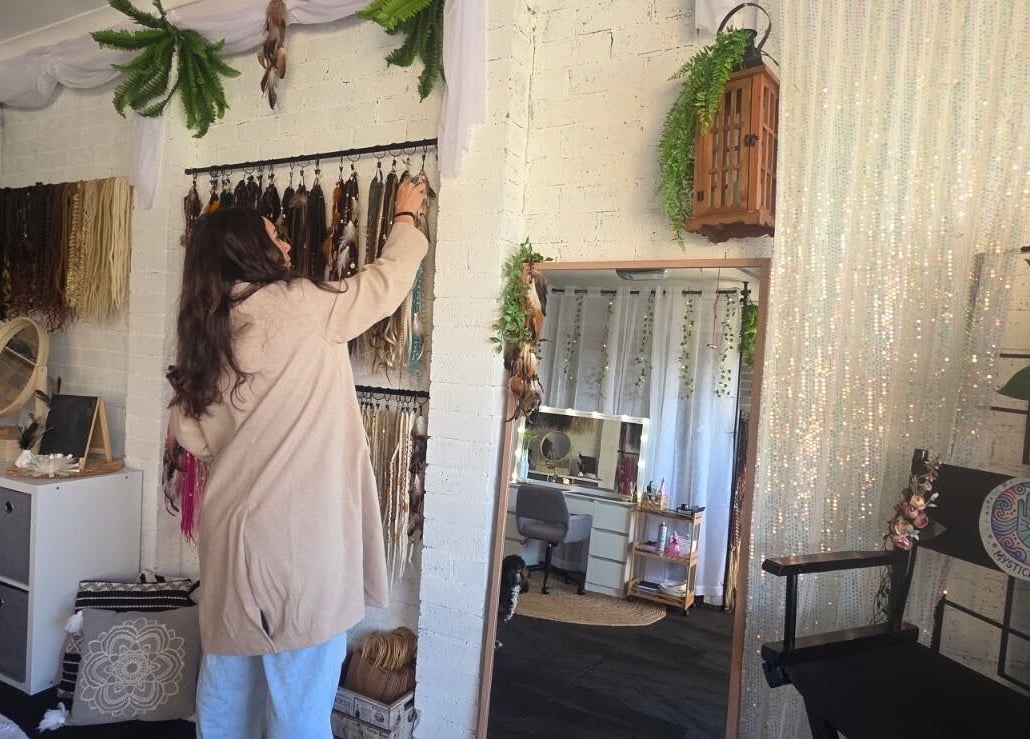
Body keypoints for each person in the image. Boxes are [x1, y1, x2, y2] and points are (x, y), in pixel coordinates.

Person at [167, 177, 429, 738]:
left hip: (232, 545)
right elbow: (383, 285)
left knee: (225, 704)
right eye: (274, 238)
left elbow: (191, 433)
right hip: (298, 549)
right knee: (300, 710)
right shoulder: (303, 306)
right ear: (248, 251)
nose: (287, 247)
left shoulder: (208, 333)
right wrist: (404, 217)